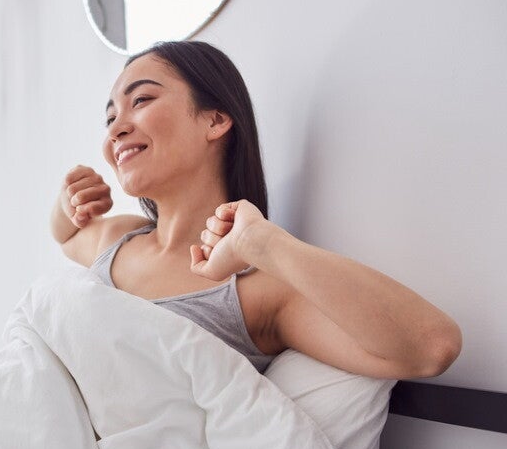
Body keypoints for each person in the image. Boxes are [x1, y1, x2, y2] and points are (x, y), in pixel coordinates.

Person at [50, 40, 461, 378]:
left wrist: (262, 242)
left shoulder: (256, 292)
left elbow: (433, 347)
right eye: (110, 117)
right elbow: (65, 236)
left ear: (215, 120)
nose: (116, 128)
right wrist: (66, 204)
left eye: (141, 99)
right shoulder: (116, 238)